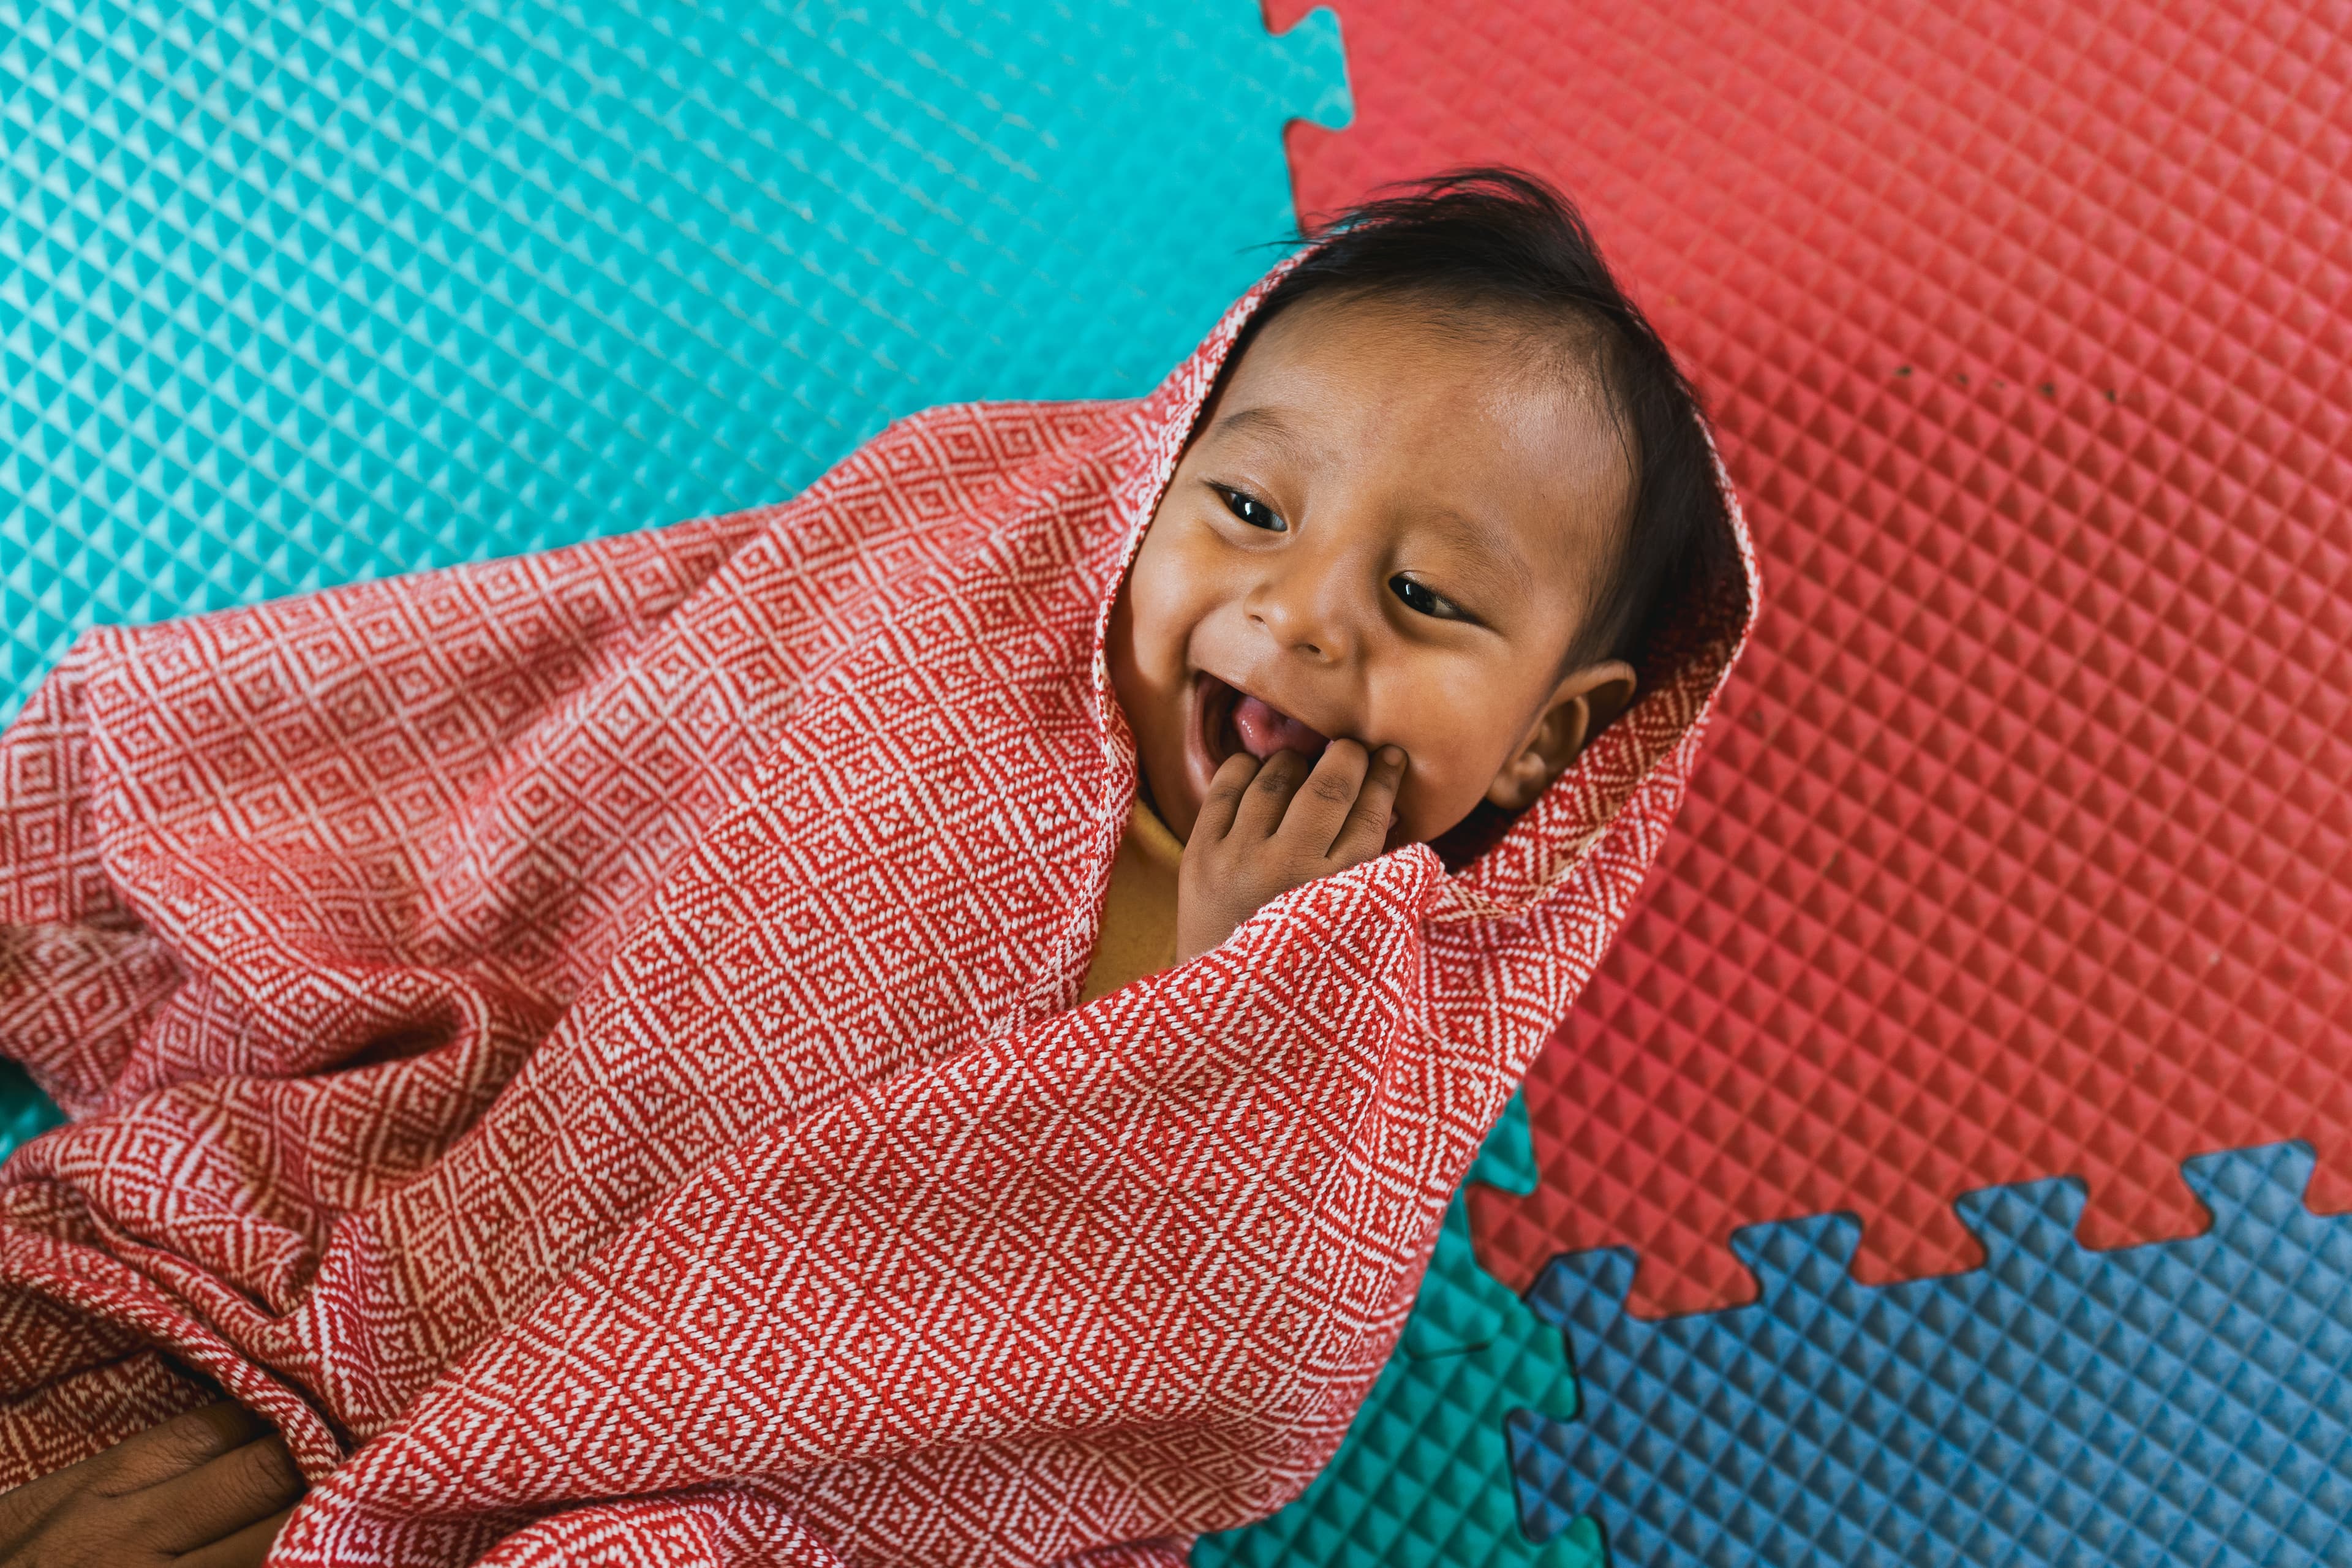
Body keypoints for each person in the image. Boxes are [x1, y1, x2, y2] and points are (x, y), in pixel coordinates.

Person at [0, 169, 1752, 1567]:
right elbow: (635, 712)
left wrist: (1250, 992)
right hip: (498, 1197)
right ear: (1153, 486)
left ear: (1543, 739)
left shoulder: (1370, 992)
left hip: (795, 1481)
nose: (1301, 618)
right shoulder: (952, 606)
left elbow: (1252, 1343)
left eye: (1430, 601)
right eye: (1251, 512)